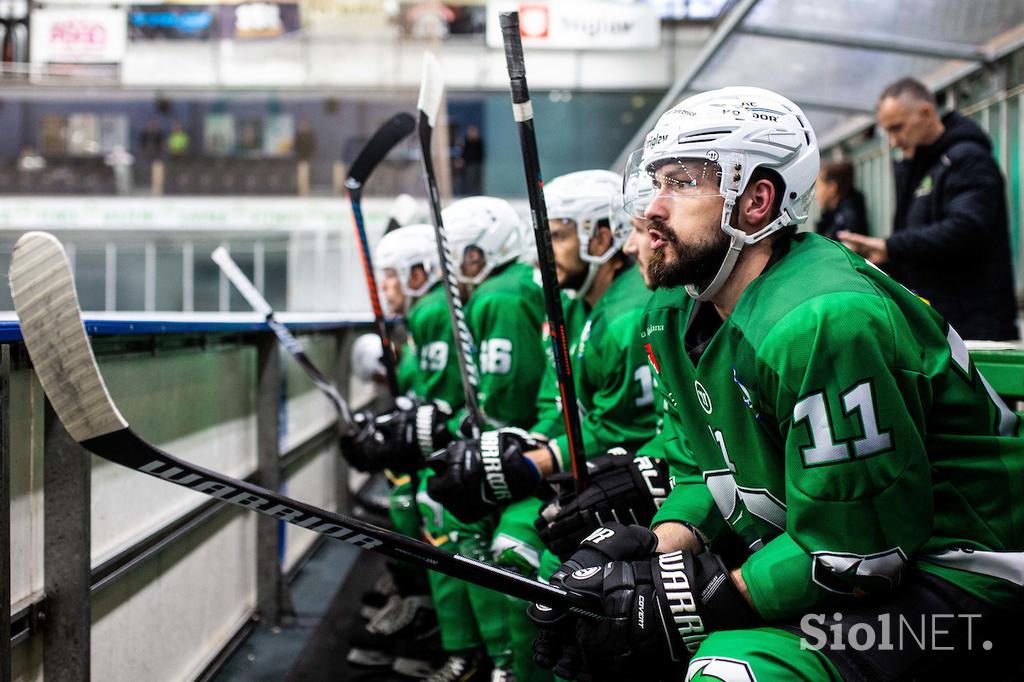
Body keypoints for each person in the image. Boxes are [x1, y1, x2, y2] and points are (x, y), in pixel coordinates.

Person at [528, 86, 1023, 682]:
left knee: (733, 670)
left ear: (756, 199)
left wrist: (699, 598)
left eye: (683, 183)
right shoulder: (677, 309)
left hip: (963, 576)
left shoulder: (822, 320)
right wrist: (656, 549)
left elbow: (858, 553)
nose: (650, 211)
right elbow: (701, 469)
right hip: (851, 549)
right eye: (655, 182)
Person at [840, 77, 1017, 341]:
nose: (892, 141)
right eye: (887, 131)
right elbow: (920, 239)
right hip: (940, 323)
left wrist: (890, 247)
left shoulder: (967, 158)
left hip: (977, 328)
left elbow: (967, 229)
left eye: (897, 128)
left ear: (926, 112)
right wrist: (884, 258)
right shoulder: (919, 167)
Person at [814, 160, 867, 240]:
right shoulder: (832, 217)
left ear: (832, 188)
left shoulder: (847, 218)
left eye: (818, 187)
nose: (815, 195)